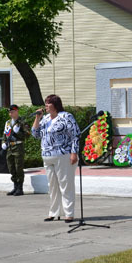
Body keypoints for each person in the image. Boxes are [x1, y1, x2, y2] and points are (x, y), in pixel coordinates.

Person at [31, 94, 80, 222]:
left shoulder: (66, 116)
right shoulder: (46, 118)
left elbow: (75, 135)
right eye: (45, 103)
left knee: (65, 185)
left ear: (55, 105)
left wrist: (74, 153)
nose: (45, 105)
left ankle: (69, 213)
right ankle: (54, 212)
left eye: (48, 103)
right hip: (47, 156)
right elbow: (35, 134)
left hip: (62, 154)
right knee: (52, 186)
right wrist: (37, 117)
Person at [2, 104, 29, 196]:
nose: (10, 114)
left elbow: (27, 135)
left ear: (17, 111)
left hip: (18, 147)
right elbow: (5, 134)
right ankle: (15, 187)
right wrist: (3, 142)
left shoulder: (22, 122)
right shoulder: (8, 123)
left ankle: (20, 188)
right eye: (9, 112)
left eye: (12, 112)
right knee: (11, 167)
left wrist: (19, 132)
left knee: (18, 168)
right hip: (10, 148)